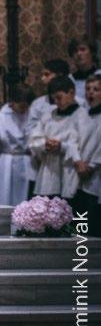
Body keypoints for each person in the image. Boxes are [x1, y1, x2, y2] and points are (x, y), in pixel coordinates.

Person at [29, 75, 92, 200]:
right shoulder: (48, 115)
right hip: (48, 172)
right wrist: (44, 145)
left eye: (59, 97)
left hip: (71, 171)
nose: (57, 102)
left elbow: (85, 147)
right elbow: (34, 139)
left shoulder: (82, 116)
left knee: (77, 215)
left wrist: (62, 147)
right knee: (48, 212)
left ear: (71, 93)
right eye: (54, 99)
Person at [0, 85, 36, 206]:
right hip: (6, 162)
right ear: (12, 103)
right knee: (5, 198)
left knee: (25, 201)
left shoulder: (31, 115)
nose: (24, 109)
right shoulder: (1, 117)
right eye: (21, 106)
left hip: (27, 161)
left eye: (26, 106)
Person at [71, 75, 101, 236]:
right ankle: (80, 257)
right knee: (81, 225)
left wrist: (92, 165)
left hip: (95, 173)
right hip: (80, 173)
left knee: (95, 224)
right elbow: (72, 139)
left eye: (96, 89)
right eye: (88, 89)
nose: (91, 93)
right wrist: (78, 161)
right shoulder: (81, 114)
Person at [68, 35, 101, 100]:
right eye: (75, 51)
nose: (79, 53)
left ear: (92, 52)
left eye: (82, 49)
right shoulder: (69, 80)